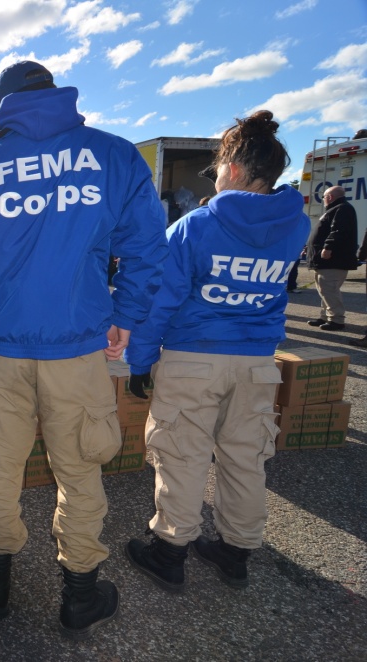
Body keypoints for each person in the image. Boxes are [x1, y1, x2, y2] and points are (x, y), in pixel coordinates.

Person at [0, 60, 168, 637]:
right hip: (78, 350)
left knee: (0, 465)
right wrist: (127, 317)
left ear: (3, 106)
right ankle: (80, 594)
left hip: (4, 351)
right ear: (55, 93)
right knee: (81, 469)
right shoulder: (113, 156)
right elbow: (146, 247)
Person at [123, 110, 310, 593]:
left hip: (193, 359)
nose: (217, 175)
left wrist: (140, 363)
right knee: (245, 457)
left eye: (220, 165)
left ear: (239, 169)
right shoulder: (295, 226)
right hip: (255, 363)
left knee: (182, 455)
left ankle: (169, 551)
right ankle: (236, 550)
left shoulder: (196, 226)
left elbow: (159, 301)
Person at [306, 186, 359, 331]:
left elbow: (339, 230)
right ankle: (325, 317)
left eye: (324, 197)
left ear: (329, 197)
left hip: (333, 260)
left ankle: (336, 320)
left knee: (329, 289)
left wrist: (328, 246)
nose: (323, 200)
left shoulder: (342, 208)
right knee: (324, 290)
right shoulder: (337, 209)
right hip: (326, 261)